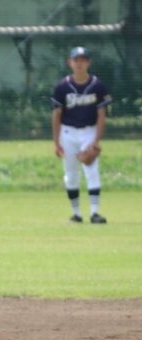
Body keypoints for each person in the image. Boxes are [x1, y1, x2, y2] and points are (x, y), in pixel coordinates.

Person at [51, 46, 111, 224]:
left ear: (88, 63)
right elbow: (56, 115)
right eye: (76, 60)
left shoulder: (97, 86)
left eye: (83, 60)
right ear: (70, 62)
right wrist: (56, 142)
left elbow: (101, 115)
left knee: (92, 170)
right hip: (67, 133)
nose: (79, 63)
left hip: (89, 131)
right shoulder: (62, 87)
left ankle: (94, 213)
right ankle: (76, 214)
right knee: (71, 174)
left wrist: (96, 140)